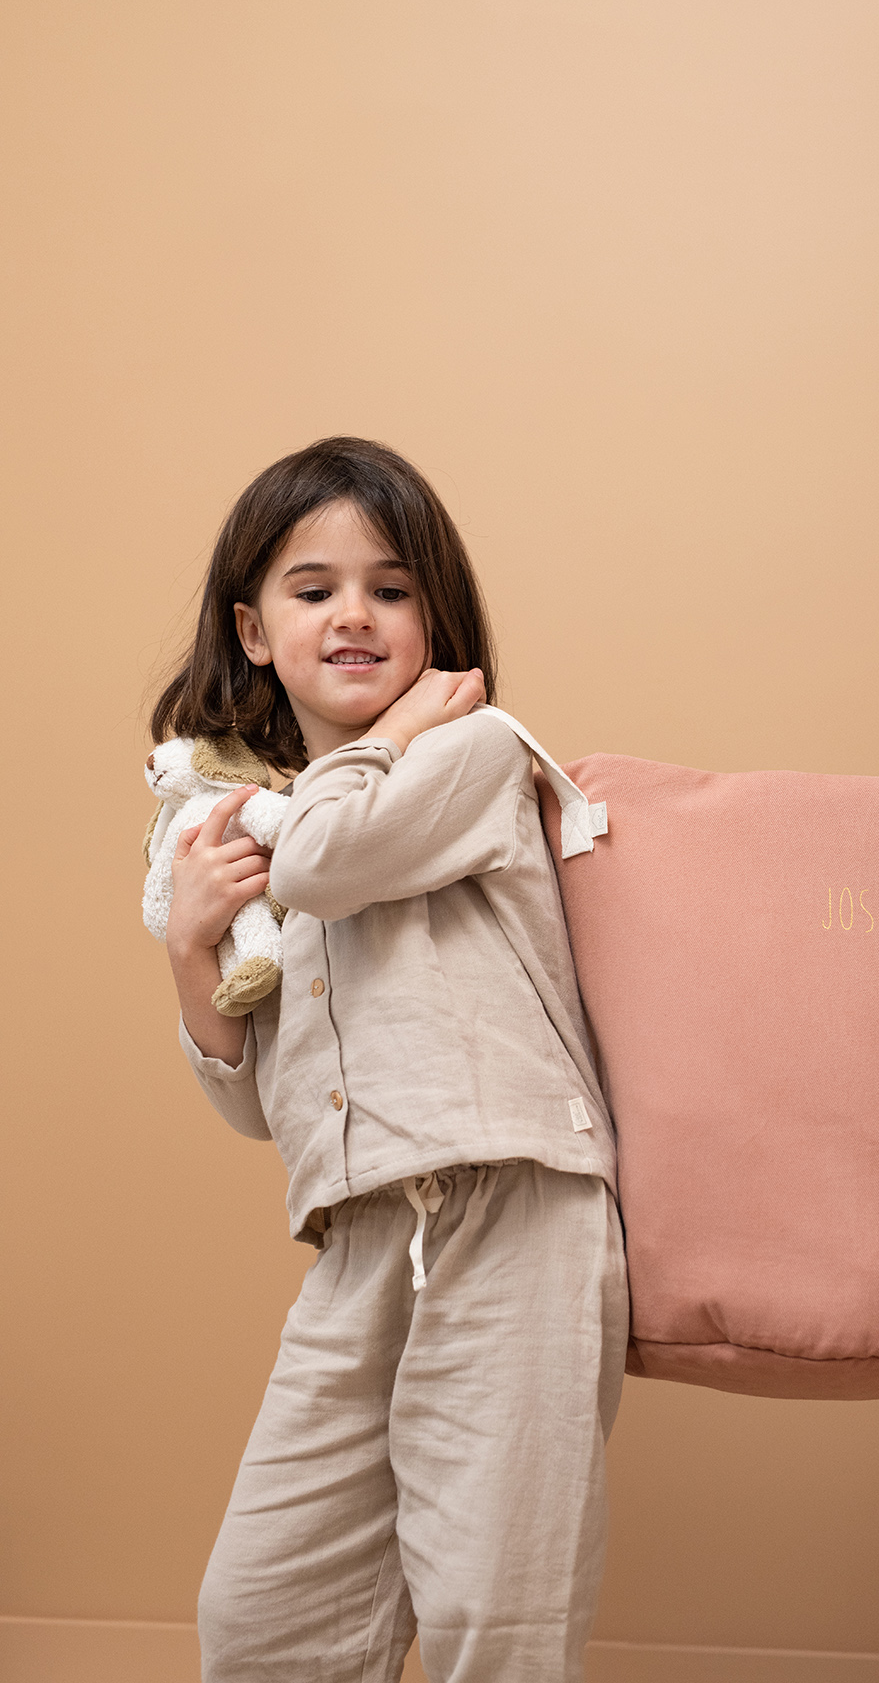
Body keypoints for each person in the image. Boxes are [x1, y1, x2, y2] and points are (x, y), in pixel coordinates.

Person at [152, 434, 627, 1683]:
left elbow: (327, 858)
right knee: (262, 1622)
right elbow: (264, 1107)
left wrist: (409, 722)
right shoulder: (280, 816)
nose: (354, 615)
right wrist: (193, 946)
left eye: (393, 589)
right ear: (254, 631)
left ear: (435, 622)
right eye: (314, 590)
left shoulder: (469, 756)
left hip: (513, 1209)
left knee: (493, 1619)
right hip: (361, 1239)